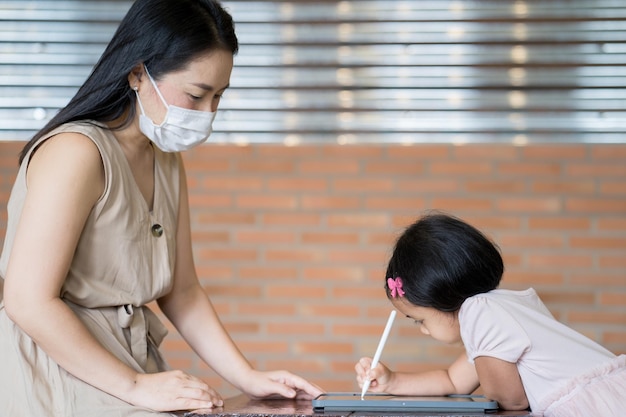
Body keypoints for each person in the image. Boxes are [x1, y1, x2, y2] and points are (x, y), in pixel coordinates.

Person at [0, 0, 323, 415]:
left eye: (218, 97)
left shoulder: (165, 159)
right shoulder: (75, 152)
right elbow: (28, 300)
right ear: (138, 73)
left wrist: (249, 377)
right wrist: (135, 386)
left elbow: (182, 291)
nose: (208, 114)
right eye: (196, 94)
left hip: (128, 366)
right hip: (57, 369)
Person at [355, 213, 626, 416]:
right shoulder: (503, 306)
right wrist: (392, 380)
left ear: (444, 298)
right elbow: (453, 381)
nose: (423, 330)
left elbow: (511, 401)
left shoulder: (479, 313)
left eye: (420, 320)